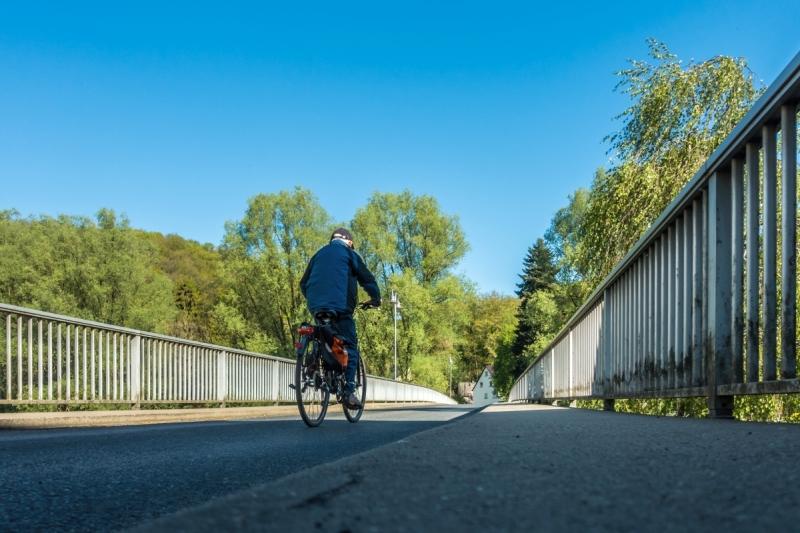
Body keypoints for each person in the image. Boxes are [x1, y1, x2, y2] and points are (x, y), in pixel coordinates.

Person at [300, 228, 381, 409]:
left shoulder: (318, 255)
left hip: (316, 306)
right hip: (340, 308)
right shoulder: (350, 254)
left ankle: (315, 364)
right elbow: (367, 279)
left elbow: (303, 284)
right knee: (350, 345)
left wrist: (316, 301)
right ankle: (349, 391)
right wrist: (375, 298)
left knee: (326, 335)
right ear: (349, 242)